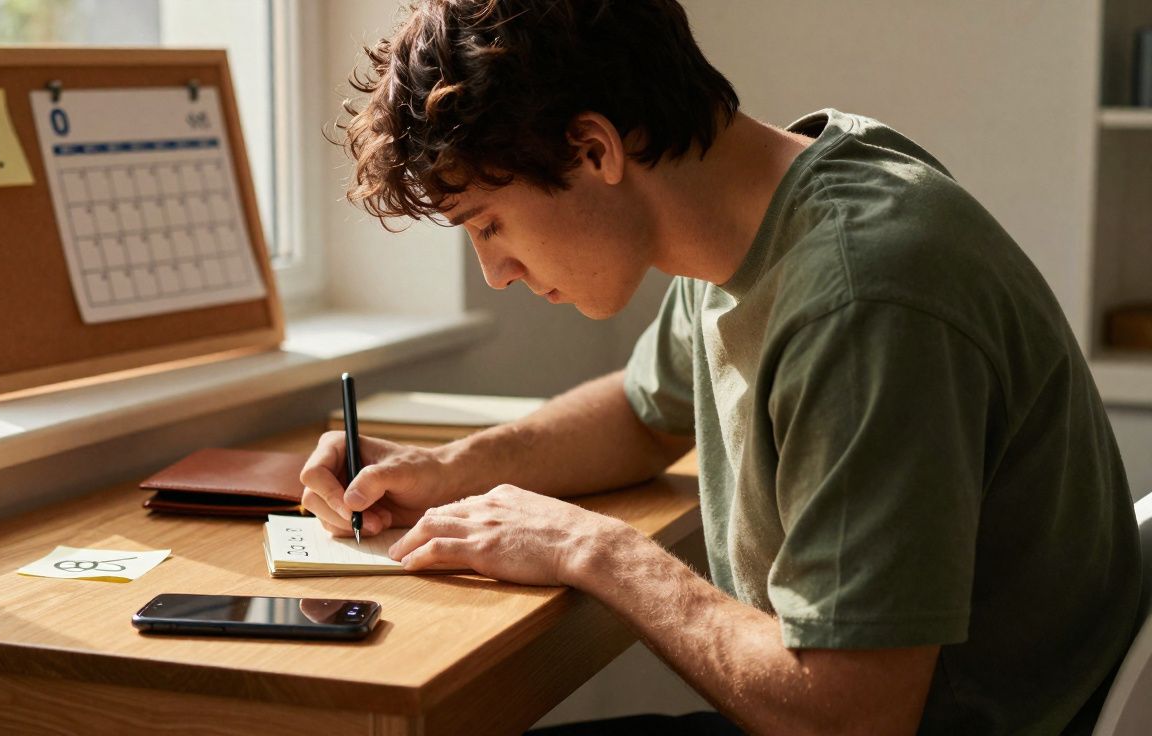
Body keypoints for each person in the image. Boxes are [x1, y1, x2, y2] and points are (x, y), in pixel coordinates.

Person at [299, 1, 1142, 733]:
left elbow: (850, 718)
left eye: (489, 225)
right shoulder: (765, 211)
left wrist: (596, 550)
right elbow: (640, 411)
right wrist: (449, 469)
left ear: (594, 150)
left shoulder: (860, 297)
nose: (497, 273)